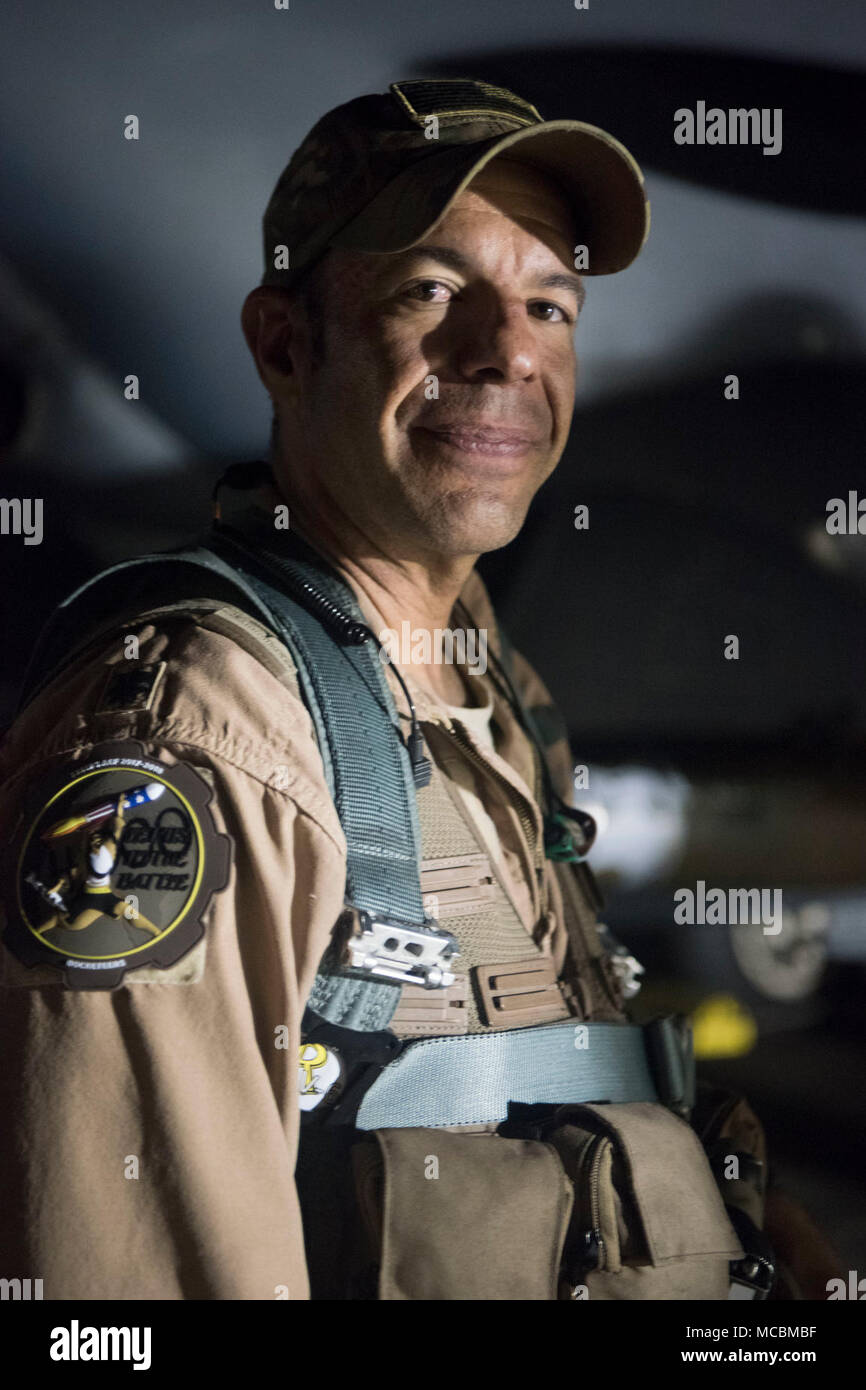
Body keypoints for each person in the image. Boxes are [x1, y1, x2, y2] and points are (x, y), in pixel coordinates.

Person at [0, 78, 839, 1300]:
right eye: (430, 290)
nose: (507, 350)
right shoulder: (203, 728)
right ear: (286, 344)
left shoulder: (487, 687)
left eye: (549, 304)